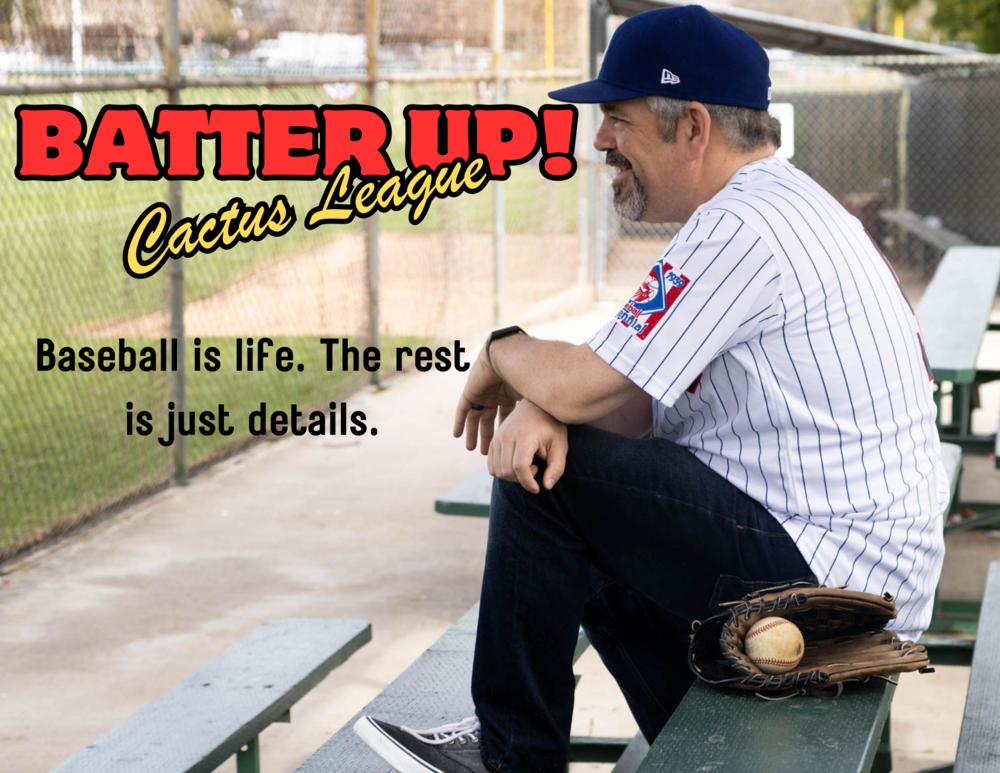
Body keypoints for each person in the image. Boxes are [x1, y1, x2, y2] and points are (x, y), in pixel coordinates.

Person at [355, 5, 947, 772]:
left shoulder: (744, 226)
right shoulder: (777, 206)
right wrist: (546, 403)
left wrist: (506, 352)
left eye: (617, 119)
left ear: (692, 128)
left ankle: (509, 759)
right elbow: (620, 394)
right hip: (850, 572)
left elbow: (581, 385)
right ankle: (702, 752)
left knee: (552, 488)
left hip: (837, 586)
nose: (599, 140)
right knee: (591, 531)